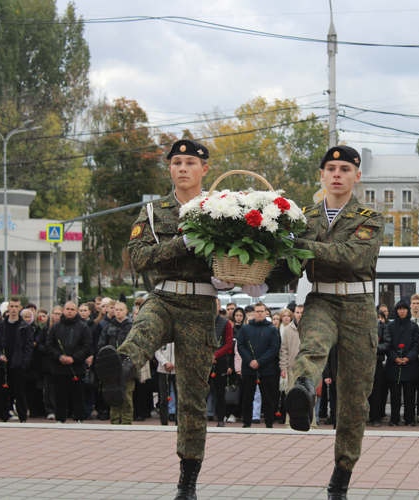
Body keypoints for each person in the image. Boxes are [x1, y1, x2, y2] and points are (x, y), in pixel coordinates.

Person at [94, 139, 220, 500]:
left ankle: (187, 483)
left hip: (201, 304)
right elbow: (139, 256)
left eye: (190, 162)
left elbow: (233, 260)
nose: (182, 168)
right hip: (164, 294)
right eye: (176, 162)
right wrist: (182, 244)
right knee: (144, 327)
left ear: (204, 169)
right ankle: (120, 368)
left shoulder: (221, 209)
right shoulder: (153, 211)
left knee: (192, 399)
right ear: (169, 168)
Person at [262, 145, 384, 499]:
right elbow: (291, 266)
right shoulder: (305, 218)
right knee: (312, 345)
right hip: (321, 298)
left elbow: (352, 255)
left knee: (354, 398)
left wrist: (301, 245)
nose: (336, 174)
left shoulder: (369, 216)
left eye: (345, 168)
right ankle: (301, 395)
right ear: (321, 175)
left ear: (356, 176)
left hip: (359, 304)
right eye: (330, 168)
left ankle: (341, 475)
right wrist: (261, 278)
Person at [46, 301, 92, 423]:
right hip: (59, 368)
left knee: (78, 395)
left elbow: (87, 346)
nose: (69, 311)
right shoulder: (55, 327)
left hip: (77, 368)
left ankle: (78, 418)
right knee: (60, 395)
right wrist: (60, 357)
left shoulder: (83, 327)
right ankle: (60, 419)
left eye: (72, 309)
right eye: (67, 309)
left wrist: (74, 358)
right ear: (64, 310)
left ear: (76, 311)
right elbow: (49, 345)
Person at [237, 303, 280, 428]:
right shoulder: (245, 329)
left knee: (268, 398)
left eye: (262, 311)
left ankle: (269, 422)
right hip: (248, 368)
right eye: (257, 311)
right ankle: (246, 422)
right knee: (247, 398)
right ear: (253, 313)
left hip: (266, 369)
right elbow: (240, 346)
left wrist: (260, 362)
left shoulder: (272, 329)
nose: (259, 313)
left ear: (266, 313)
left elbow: (274, 349)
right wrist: (250, 361)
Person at [0, 297, 34, 423]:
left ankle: (22, 417)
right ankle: (3, 416)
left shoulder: (25, 327)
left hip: (18, 365)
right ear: (8, 308)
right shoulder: (1, 325)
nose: (14, 309)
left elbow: (28, 347)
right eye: (12, 306)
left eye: (16, 306)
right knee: (3, 392)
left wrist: (24, 364)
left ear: (20, 308)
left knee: (20, 392)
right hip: (3, 365)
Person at [97, 301, 134, 424]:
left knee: (127, 398)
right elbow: (101, 347)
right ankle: (114, 423)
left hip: (127, 368)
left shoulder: (132, 328)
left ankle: (127, 423)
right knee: (113, 396)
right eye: (116, 310)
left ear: (126, 311)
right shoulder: (108, 328)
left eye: (120, 310)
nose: (118, 312)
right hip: (111, 370)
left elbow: (135, 348)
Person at [385, 300, 419, 426]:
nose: (402, 311)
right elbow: (387, 344)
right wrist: (395, 358)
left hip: (410, 365)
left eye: (404, 309)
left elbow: (416, 345)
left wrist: (408, 358)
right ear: (396, 311)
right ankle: (394, 419)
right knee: (395, 395)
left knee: (409, 394)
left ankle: (409, 419)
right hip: (394, 366)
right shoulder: (390, 326)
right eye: (399, 309)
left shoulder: (413, 326)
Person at [280, 305, 313, 428]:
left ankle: (312, 423)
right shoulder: (288, 329)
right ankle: (289, 423)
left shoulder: (311, 328)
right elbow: (283, 350)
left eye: (302, 312)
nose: (299, 315)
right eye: (297, 312)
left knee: (310, 395)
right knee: (290, 395)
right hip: (292, 367)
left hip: (307, 368)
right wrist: (283, 367)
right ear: (294, 313)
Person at [36, 306, 62, 421]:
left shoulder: (65, 328)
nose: (57, 316)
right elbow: (39, 344)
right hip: (48, 363)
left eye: (59, 314)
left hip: (62, 362)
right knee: (49, 388)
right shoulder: (46, 329)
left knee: (61, 388)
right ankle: (50, 410)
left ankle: (61, 409)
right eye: (55, 313)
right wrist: (49, 350)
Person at [211, 298, 233, 427]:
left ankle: (220, 419)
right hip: (205, 362)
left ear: (220, 307)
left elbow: (229, 344)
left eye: (215, 305)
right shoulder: (203, 322)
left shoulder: (226, 323)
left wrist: (215, 355)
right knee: (202, 392)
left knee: (220, 393)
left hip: (220, 362)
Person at [369, 310, 391, 427]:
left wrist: (373, 349)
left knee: (377, 392)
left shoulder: (382, 327)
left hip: (376, 362)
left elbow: (387, 344)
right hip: (362, 364)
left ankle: (376, 417)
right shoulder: (361, 325)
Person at [156, 343, 177, 425]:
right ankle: (164, 423)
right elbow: (157, 351)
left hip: (177, 370)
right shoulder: (162, 335)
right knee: (163, 398)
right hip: (163, 370)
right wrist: (165, 363)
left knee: (179, 398)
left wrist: (174, 364)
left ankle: (179, 423)